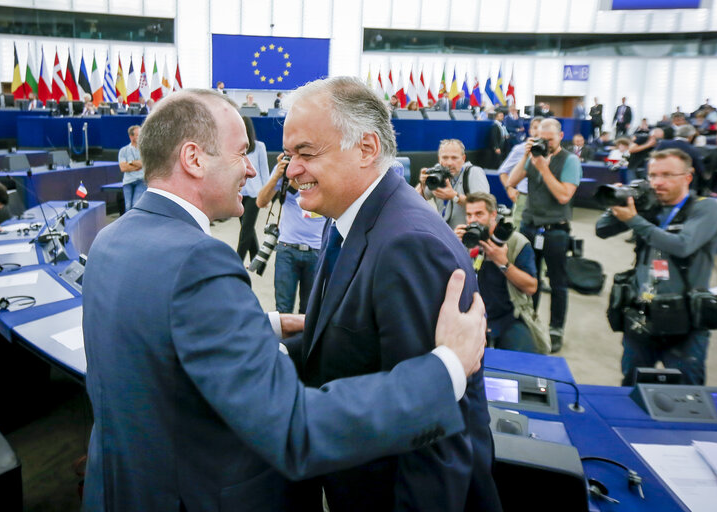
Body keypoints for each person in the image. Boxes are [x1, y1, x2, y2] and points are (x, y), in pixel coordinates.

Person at [82, 88, 490, 511]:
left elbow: (440, 453)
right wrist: (448, 369)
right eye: (243, 153)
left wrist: (267, 326)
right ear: (194, 159)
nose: (273, 171)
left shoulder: (111, 239)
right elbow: (292, 427)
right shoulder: (200, 258)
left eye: (305, 152)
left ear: (366, 147)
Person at [281, 77, 500, 511]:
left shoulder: (410, 244)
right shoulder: (344, 217)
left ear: (366, 148)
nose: (290, 170)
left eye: (306, 153)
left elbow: (435, 429)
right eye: (289, 156)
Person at [595, 149, 717, 385]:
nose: (657, 182)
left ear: (688, 176)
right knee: (633, 385)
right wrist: (620, 201)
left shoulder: (707, 208)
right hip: (641, 313)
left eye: (667, 175)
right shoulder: (650, 206)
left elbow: (682, 246)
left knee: (685, 394)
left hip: (684, 320)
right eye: (653, 175)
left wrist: (634, 219)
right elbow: (601, 230)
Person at [507, 118, 582, 353]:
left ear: (560, 137)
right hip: (529, 225)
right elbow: (511, 181)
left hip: (555, 230)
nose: (546, 144)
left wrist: (543, 168)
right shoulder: (533, 157)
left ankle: (556, 328)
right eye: (541, 139)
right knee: (531, 279)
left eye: (550, 139)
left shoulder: (570, 161)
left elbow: (563, 196)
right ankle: (532, 321)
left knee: (558, 282)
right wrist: (526, 157)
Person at [455, 192, 542, 353]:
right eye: (469, 214)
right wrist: (454, 246)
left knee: (526, 363)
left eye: (479, 214)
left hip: (508, 317)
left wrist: (502, 262)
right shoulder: (463, 241)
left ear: (493, 214)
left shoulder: (516, 242)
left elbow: (531, 288)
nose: (473, 219)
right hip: (469, 316)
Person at [256, 154, 326, 314]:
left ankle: (304, 340)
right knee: (282, 310)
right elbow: (261, 201)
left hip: (317, 251)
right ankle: (283, 340)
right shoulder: (285, 170)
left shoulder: (324, 170)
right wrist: (277, 176)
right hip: (286, 250)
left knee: (310, 312)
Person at [418, 138, 491, 229]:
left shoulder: (473, 172)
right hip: (446, 235)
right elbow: (414, 199)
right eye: (445, 158)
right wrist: (422, 183)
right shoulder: (439, 175)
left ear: (463, 158)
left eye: (454, 158)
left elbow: (485, 205)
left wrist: (454, 197)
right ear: (439, 159)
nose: (449, 163)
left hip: (469, 237)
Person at [235, 116, 269, 264]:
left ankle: (237, 262)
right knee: (247, 228)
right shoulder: (235, 147)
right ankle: (257, 260)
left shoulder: (259, 146)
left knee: (245, 231)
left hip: (256, 194)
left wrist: (266, 196)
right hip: (240, 193)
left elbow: (264, 171)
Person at [499, 116, 543, 228]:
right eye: (535, 127)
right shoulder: (520, 149)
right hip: (524, 197)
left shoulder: (554, 150)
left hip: (547, 199)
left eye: (542, 127)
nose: (538, 131)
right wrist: (509, 189)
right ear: (530, 130)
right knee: (519, 234)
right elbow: (503, 171)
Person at [118, 125, 146, 211]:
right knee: (128, 206)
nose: (140, 137)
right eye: (138, 135)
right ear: (131, 136)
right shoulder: (124, 150)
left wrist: (130, 162)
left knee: (135, 204)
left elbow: (144, 164)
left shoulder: (145, 149)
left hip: (141, 180)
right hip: (128, 182)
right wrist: (137, 165)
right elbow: (123, 168)